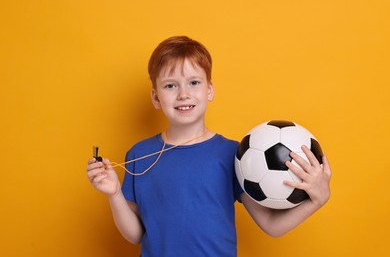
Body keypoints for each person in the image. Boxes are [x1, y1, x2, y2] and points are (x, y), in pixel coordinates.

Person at [86, 36, 332, 256]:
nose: (183, 94)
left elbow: (272, 225)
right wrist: (114, 193)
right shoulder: (139, 154)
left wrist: (317, 200)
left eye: (194, 82)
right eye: (170, 85)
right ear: (155, 97)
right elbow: (136, 234)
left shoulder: (232, 154)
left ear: (210, 90)